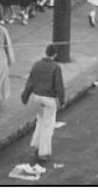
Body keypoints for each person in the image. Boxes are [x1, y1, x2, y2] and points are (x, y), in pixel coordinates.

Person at [20, 43, 65, 172]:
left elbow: (30, 82)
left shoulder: (36, 65)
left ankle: (36, 145)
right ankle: (43, 153)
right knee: (47, 126)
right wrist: (61, 100)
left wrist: (25, 96)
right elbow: (59, 86)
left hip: (36, 98)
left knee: (40, 122)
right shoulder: (55, 67)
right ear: (55, 55)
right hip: (48, 100)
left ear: (45, 52)